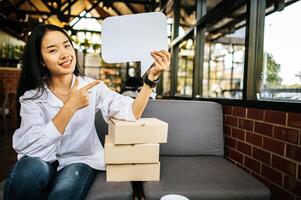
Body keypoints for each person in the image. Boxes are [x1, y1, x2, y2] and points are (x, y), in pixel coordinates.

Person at [4, 23, 170, 200]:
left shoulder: (93, 87)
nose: (64, 54)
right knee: (30, 169)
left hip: (80, 160)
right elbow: (31, 149)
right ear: (41, 61)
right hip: (42, 160)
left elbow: (131, 112)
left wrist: (151, 78)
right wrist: (70, 107)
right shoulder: (33, 98)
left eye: (67, 45)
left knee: (63, 194)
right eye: (53, 50)